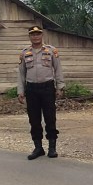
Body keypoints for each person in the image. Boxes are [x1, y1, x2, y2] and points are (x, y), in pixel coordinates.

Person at [17, 25, 64, 160]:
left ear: (42, 36)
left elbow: (58, 69)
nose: (35, 37)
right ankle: (38, 148)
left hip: (47, 88)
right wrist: (20, 91)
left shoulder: (51, 51)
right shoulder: (25, 53)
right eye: (33, 34)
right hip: (31, 89)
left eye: (38, 34)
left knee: (50, 118)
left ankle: (52, 148)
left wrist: (60, 87)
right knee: (34, 120)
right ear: (29, 36)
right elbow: (20, 74)